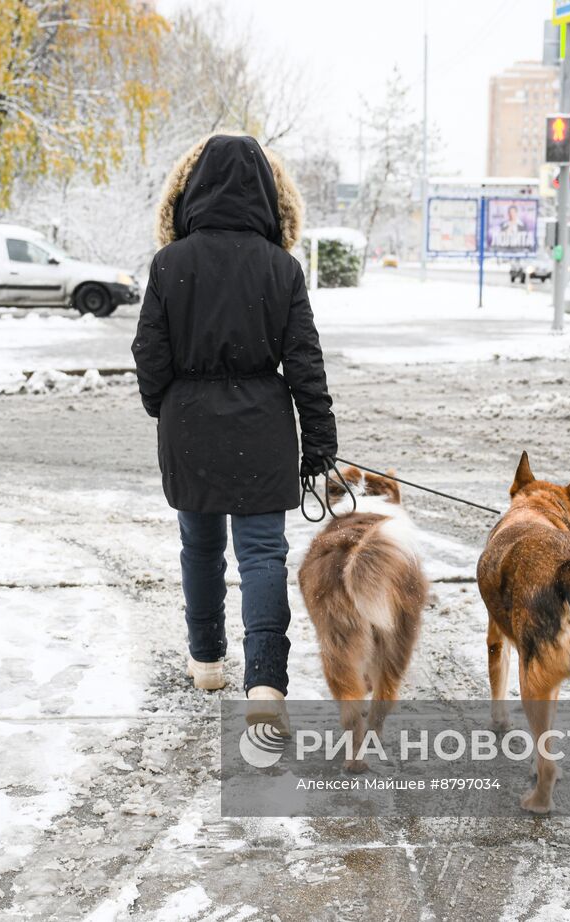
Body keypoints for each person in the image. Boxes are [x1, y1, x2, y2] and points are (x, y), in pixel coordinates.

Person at [131, 133, 338, 717]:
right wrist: (319, 440)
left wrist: (166, 406)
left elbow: (149, 352)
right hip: (263, 428)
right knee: (262, 554)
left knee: (198, 547)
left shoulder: (170, 264)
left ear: (191, 191)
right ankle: (267, 681)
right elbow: (305, 362)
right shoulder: (282, 268)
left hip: (188, 427)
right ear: (269, 196)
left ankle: (207, 662)